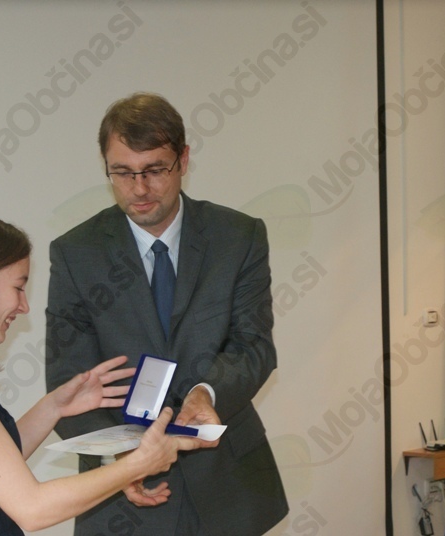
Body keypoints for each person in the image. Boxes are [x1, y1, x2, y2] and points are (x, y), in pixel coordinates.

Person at [0, 207, 211, 535]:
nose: (24, 306)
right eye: (18, 287)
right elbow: (32, 508)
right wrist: (140, 463)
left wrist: (54, 407)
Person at [45, 92, 288, 535]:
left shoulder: (237, 237)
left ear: (183, 160)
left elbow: (254, 346)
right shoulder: (76, 254)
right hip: (121, 495)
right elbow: (68, 380)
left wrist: (206, 393)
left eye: (155, 170)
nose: (139, 188)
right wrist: (124, 459)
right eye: (123, 172)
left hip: (228, 488)